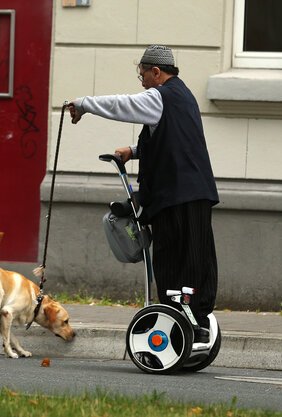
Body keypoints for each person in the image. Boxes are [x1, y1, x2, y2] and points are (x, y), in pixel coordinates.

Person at [67, 45, 219, 342]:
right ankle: (196, 320)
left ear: (156, 72)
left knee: (173, 262)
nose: (142, 82)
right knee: (195, 261)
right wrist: (135, 151)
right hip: (197, 194)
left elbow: (122, 105)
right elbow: (175, 141)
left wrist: (83, 104)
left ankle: (183, 326)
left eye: (143, 76)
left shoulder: (158, 96)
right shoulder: (184, 96)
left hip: (175, 198)